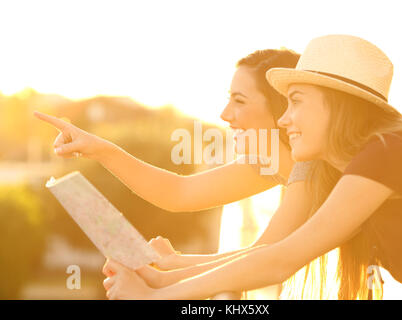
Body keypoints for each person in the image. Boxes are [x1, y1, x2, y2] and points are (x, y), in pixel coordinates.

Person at [102, 34, 402, 300]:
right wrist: (166, 275)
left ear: (338, 106)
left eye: (295, 102)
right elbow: (271, 255)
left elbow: (278, 259)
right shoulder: (348, 172)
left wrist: (159, 292)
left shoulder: (387, 154)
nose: (284, 119)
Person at [35, 49, 315, 295]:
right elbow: (179, 192)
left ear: (281, 107)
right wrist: (99, 149)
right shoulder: (269, 165)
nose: (224, 114)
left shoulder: (314, 171)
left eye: (239, 101)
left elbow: (264, 261)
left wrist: (162, 281)